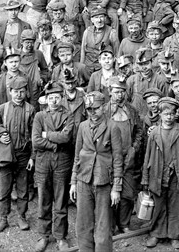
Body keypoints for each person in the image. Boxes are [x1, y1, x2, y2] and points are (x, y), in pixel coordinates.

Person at [69, 91, 123, 252]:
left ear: (104, 107)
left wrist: (116, 188)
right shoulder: (83, 127)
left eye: (96, 108)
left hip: (104, 181)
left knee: (103, 224)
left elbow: (118, 159)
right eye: (89, 109)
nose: (92, 113)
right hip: (84, 179)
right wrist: (73, 182)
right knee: (83, 223)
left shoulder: (112, 127)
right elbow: (77, 156)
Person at [32, 82, 74, 252]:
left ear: (61, 98)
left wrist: (47, 135)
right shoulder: (39, 116)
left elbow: (66, 137)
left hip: (62, 162)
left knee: (61, 200)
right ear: (46, 99)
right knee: (44, 200)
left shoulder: (68, 115)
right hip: (43, 162)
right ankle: (43, 235)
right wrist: (54, 145)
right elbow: (36, 140)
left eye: (57, 97)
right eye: (51, 98)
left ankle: (60, 237)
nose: (54, 101)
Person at [0, 75, 36, 234]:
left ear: (26, 92)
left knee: (23, 188)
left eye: (22, 91)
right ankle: (3, 218)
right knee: (4, 189)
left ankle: (21, 216)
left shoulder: (30, 110)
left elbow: (34, 136)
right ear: (10, 92)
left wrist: (32, 157)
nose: (19, 94)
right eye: (15, 91)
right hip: (6, 155)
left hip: (23, 154)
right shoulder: (2, 109)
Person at [141, 97, 179, 249]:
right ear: (159, 114)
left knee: (175, 205)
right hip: (157, 174)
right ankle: (156, 233)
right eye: (166, 114)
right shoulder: (154, 133)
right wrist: (145, 178)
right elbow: (147, 156)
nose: (169, 117)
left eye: (172, 114)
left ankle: (174, 235)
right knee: (158, 205)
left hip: (175, 174)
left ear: (175, 114)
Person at [104, 78, 144, 234]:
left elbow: (139, 131)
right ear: (110, 92)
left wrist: (135, 148)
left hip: (129, 155)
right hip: (111, 156)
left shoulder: (131, 110)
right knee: (111, 191)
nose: (119, 95)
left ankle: (124, 224)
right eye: (116, 92)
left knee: (127, 192)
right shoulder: (105, 110)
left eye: (122, 91)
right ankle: (111, 224)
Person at [80, 8, 119, 74]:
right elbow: (83, 51)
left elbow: (117, 53)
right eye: (96, 17)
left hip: (104, 68)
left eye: (101, 17)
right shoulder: (87, 31)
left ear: (105, 18)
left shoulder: (111, 32)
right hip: (88, 67)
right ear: (92, 20)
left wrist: (116, 70)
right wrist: (81, 67)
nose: (99, 20)